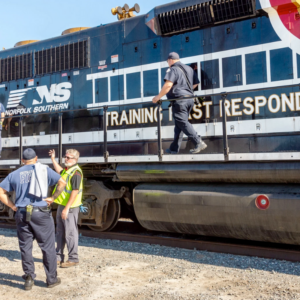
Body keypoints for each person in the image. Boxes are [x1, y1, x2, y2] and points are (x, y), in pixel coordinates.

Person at [0, 148, 66, 290]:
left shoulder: (14, 174)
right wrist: (53, 198)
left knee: (25, 246)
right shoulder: (44, 170)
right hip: (41, 213)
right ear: (36, 158)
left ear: (22, 160)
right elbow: (62, 182)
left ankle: (29, 278)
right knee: (47, 246)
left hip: (22, 213)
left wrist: (12, 206)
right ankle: (51, 279)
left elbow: (1, 191)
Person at [152, 52, 207, 154]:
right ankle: (174, 148)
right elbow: (196, 83)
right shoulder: (189, 69)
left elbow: (168, 85)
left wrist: (158, 97)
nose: (168, 63)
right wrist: (186, 91)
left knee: (182, 122)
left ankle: (198, 142)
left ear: (170, 60)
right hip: (190, 100)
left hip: (180, 100)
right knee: (179, 125)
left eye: (167, 61)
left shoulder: (173, 69)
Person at [49, 149, 83, 268]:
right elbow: (60, 171)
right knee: (60, 232)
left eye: (69, 158)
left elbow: (75, 191)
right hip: (62, 205)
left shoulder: (76, 173)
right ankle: (58, 256)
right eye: (65, 157)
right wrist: (53, 159)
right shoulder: (68, 170)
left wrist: (66, 208)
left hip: (70, 207)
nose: (66, 159)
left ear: (75, 159)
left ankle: (73, 258)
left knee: (70, 233)